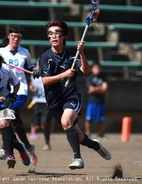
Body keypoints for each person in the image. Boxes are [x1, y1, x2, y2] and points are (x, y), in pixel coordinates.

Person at [38, 20, 111, 170]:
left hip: (71, 97)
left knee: (66, 121)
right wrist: (64, 74)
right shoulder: (45, 57)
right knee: (79, 136)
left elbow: (85, 70)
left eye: (57, 33)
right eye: (50, 34)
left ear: (64, 36)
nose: (53, 36)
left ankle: (77, 158)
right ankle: (95, 145)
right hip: (54, 102)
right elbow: (45, 81)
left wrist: (82, 53)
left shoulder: (72, 56)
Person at [0, 26, 38, 165]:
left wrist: (35, 70)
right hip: (5, 92)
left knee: (7, 118)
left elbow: (30, 67)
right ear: (8, 36)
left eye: (19, 37)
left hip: (20, 91)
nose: (16, 39)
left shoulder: (25, 52)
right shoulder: (0, 52)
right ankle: (27, 146)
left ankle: (5, 150)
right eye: (14, 36)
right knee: (15, 122)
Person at [29, 61, 52, 151]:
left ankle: (47, 143)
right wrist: (31, 88)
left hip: (46, 102)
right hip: (37, 101)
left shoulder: (49, 73)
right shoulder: (33, 74)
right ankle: (31, 140)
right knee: (36, 124)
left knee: (44, 124)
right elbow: (31, 85)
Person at [84, 62, 108, 139]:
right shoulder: (89, 77)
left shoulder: (103, 77)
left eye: (98, 68)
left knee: (100, 119)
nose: (97, 69)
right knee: (89, 118)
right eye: (95, 68)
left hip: (100, 101)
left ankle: (100, 133)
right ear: (92, 69)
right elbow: (90, 89)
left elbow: (105, 89)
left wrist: (95, 89)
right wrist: (100, 88)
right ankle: (88, 133)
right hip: (91, 101)